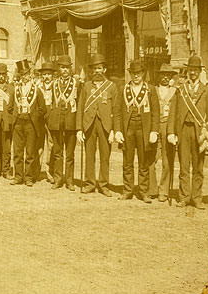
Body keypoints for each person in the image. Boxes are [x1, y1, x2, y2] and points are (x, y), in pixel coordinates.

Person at [167, 55, 208, 209]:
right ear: (187, 71)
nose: (192, 73)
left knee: (198, 166)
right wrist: (171, 132)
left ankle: (197, 197)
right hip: (183, 130)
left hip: (199, 132)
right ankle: (184, 197)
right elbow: (173, 111)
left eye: (195, 70)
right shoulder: (181, 89)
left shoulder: (206, 90)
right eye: (190, 70)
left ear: (200, 71)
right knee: (184, 166)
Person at [115, 60, 159, 202]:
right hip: (127, 129)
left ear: (143, 73)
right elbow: (117, 112)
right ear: (130, 74)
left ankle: (143, 191)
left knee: (143, 162)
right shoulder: (123, 88)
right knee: (127, 162)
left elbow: (155, 113)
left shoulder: (150, 89)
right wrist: (117, 131)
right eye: (133, 73)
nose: (136, 76)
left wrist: (154, 131)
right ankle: (127, 190)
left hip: (143, 130)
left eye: (138, 73)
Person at [76, 54, 120, 196]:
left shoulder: (112, 87)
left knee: (105, 156)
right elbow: (80, 108)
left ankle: (103, 184)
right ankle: (90, 183)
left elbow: (116, 109)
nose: (97, 71)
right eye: (95, 68)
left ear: (104, 69)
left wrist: (114, 129)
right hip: (89, 124)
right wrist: (79, 129)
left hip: (105, 126)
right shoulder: (86, 87)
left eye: (100, 68)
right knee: (90, 156)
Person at [47, 56, 80, 191]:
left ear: (70, 68)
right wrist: (51, 120)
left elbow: (80, 104)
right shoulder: (53, 84)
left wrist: (79, 126)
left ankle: (69, 180)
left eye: (67, 67)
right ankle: (58, 179)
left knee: (70, 154)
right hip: (56, 123)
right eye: (62, 67)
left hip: (71, 123)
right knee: (57, 153)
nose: (65, 70)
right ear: (59, 68)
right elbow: (49, 104)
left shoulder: (77, 83)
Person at [12, 60, 45, 186]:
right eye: (22, 74)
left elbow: (42, 109)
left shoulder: (37, 90)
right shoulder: (16, 89)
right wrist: (16, 116)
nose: (24, 76)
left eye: (26, 73)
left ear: (30, 74)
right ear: (19, 75)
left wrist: (33, 115)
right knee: (18, 152)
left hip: (31, 124)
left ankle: (29, 177)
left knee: (30, 152)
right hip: (18, 124)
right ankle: (18, 176)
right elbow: (10, 107)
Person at [154, 63, 178, 202]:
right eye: (163, 75)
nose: (165, 78)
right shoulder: (154, 90)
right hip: (155, 126)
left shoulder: (175, 92)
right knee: (151, 158)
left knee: (167, 160)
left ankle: (163, 190)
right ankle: (151, 188)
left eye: (167, 75)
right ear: (159, 76)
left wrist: (174, 131)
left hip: (169, 127)